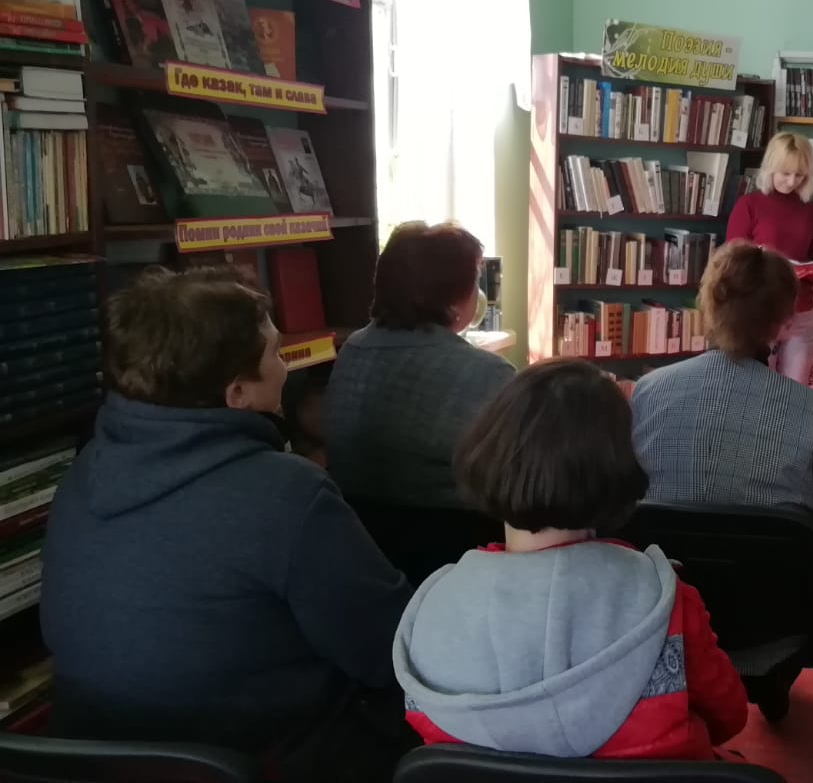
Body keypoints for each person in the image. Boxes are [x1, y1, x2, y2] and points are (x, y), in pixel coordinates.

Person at [40, 268, 414, 781]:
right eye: (276, 354)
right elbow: (388, 650)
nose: (286, 368)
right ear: (236, 393)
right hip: (259, 763)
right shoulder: (286, 492)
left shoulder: (85, 469)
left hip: (92, 764)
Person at [394, 358, 748, 760]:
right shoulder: (665, 599)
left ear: (486, 451)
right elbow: (729, 716)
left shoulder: (430, 609)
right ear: (617, 467)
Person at [629, 239, 813, 719]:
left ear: (708, 304)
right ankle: (766, 677)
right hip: (777, 615)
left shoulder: (648, 391)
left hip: (665, 602)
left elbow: (624, 494)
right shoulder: (805, 408)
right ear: (783, 320)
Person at [325, 222, 514, 579]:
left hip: (363, 555)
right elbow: (523, 481)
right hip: (461, 559)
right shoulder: (489, 374)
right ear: (454, 298)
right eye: (474, 281)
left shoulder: (353, 350)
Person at [725, 132, 813, 385]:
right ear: (770, 167)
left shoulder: (809, 209)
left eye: (799, 175)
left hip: (800, 312)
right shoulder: (749, 205)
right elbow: (732, 264)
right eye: (785, 173)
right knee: (756, 388)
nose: (792, 181)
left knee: (794, 393)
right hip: (760, 310)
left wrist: (811, 270)